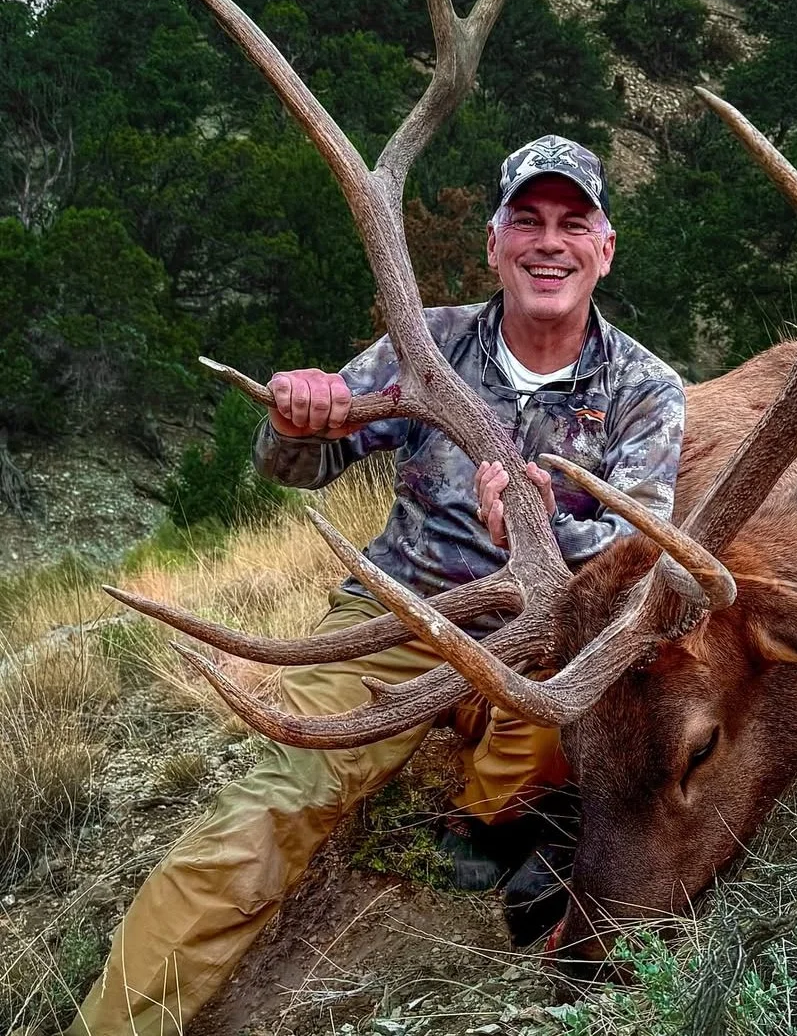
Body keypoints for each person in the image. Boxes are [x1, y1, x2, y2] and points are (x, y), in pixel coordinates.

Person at [70, 135, 685, 1036]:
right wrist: (297, 418)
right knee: (268, 810)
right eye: (528, 221)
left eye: (571, 222)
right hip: (395, 623)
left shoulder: (647, 389)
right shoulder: (425, 342)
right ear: (494, 242)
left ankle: (495, 816)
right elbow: (299, 466)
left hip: (543, 636)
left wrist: (540, 527)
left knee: (588, 744)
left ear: (604, 247)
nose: (548, 242)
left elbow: (637, 553)